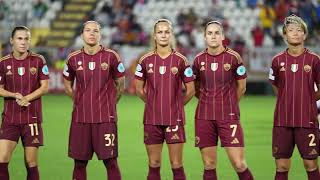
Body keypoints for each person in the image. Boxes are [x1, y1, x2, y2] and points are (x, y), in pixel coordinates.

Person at [63, 21, 125, 180]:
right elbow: (68, 86)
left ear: (100, 34)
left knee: (111, 162)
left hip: (105, 119)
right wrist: (79, 101)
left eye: (95, 30)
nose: (92, 33)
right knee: (79, 163)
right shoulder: (73, 59)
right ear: (82, 34)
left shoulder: (112, 56)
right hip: (80, 119)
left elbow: (121, 85)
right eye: (88, 30)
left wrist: (110, 104)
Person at [192, 20, 254, 180]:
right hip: (204, 116)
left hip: (229, 116)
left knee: (239, 164)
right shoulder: (198, 60)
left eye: (216, 33)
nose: (213, 36)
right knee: (209, 165)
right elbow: (195, 86)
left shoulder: (234, 58)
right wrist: (207, 100)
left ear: (223, 36)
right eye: (209, 33)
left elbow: (242, 87)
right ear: (204, 37)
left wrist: (229, 104)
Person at [135, 19, 195, 180]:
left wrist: (177, 106)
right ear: (154, 36)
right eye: (160, 32)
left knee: (176, 164)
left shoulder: (181, 60)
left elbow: (191, 90)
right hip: (152, 119)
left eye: (166, 31)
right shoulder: (145, 60)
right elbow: (139, 89)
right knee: (153, 163)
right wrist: (152, 104)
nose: (163, 35)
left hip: (174, 119)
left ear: (171, 35)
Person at [269, 14, 320, 180]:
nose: (295, 33)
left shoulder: (314, 60)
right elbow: (275, 84)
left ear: (304, 34)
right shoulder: (277, 61)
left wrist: (309, 100)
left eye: (299, 30)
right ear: (285, 35)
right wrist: (286, 99)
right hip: (282, 121)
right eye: (291, 30)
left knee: (310, 165)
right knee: (282, 166)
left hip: (307, 120)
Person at [0, 26, 49, 180]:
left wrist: (27, 98)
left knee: (31, 162)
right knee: (2, 159)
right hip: (10, 119)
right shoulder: (3, 63)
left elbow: (45, 87)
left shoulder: (38, 60)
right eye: (19, 38)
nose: (23, 42)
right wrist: (13, 95)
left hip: (31, 119)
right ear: (12, 41)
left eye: (26, 38)